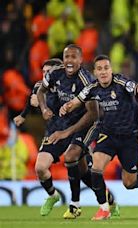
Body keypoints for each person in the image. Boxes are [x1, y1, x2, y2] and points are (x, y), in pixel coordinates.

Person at [59, 54, 138, 220]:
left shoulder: (120, 82)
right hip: (108, 134)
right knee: (96, 168)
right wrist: (67, 106)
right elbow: (77, 100)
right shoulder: (92, 88)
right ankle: (104, 208)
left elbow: (136, 86)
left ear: (111, 70)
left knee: (129, 183)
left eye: (106, 68)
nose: (103, 72)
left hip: (129, 137)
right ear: (95, 72)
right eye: (99, 69)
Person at [36, 44, 102, 219]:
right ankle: (53, 195)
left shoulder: (86, 81)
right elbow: (40, 91)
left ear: (81, 60)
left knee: (71, 158)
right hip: (59, 126)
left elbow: (93, 115)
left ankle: (75, 206)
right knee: (40, 167)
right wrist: (43, 109)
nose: (69, 61)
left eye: (74, 57)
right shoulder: (55, 73)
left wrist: (67, 133)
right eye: (67, 57)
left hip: (82, 126)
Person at [14, 58, 63, 127]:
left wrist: (42, 101)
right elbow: (31, 100)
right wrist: (23, 115)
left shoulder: (66, 85)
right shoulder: (39, 85)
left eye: (48, 71)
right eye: (43, 72)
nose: (45, 75)